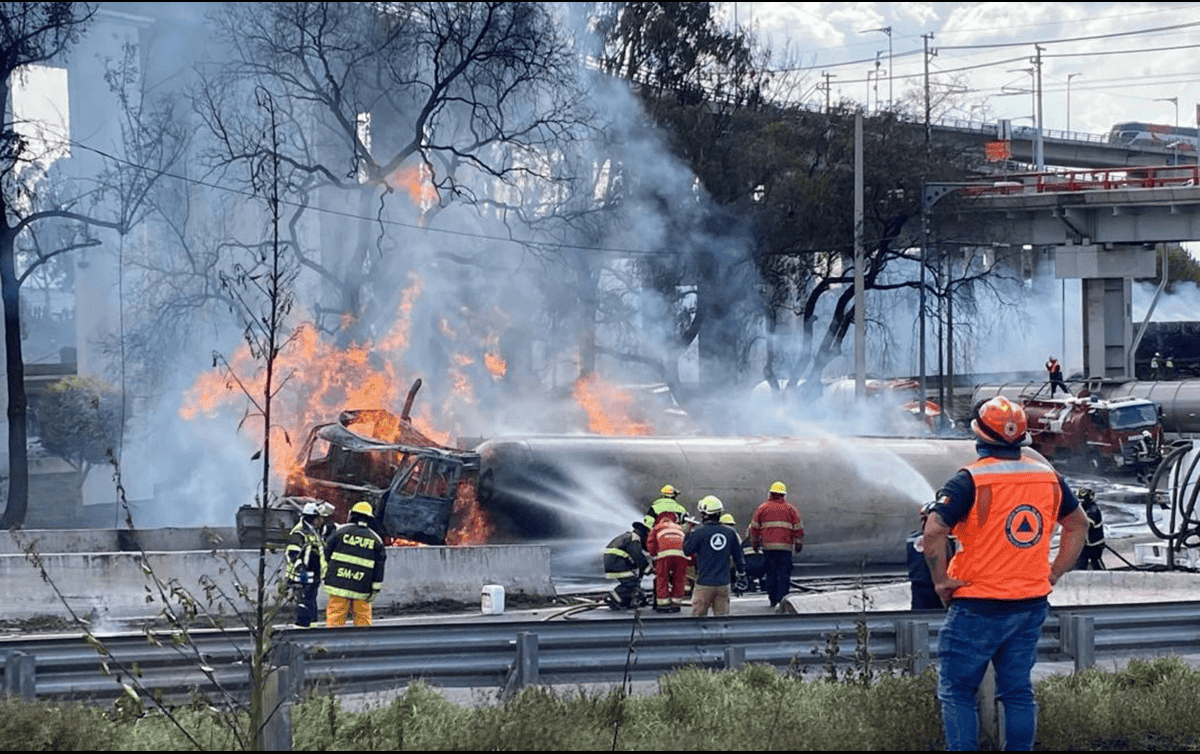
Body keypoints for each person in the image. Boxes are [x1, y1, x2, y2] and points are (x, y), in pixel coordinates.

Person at [923, 395, 1088, 751]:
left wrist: (940, 581)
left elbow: (934, 531)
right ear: (1023, 437)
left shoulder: (970, 480)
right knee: (1017, 692)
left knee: (957, 690)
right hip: (1030, 602)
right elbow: (1079, 525)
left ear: (980, 437)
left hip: (977, 603)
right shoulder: (1049, 478)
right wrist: (1054, 572)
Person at [324, 500, 387, 627]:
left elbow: (326, 553)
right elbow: (379, 568)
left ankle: (332, 644)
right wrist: (375, 590)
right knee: (363, 621)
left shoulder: (339, 532)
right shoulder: (376, 539)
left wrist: (327, 574)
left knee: (335, 620)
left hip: (338, 585)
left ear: (352, 514)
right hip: (362, 588)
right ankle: (362, 645)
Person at [684, 496, 746, 617]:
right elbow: (739, 557)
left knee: (698, 620)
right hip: (723, 584)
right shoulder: (730, 533)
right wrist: (742, 575)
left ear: (705, 515)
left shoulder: (699, 533)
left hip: (704, 584)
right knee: (722, 621)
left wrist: (687, 532)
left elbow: (687, 551)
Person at [749, 480, 805, 612]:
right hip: (785, 548)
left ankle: (772, 598)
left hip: (768, 548)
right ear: (783, 495)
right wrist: (798, 544)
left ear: (770, 494)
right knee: (783, 573)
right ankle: (782, 598)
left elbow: (754, 529)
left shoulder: (762, 509)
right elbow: (798, 529)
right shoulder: (791, 509)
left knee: (770, 573)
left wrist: (755, 545)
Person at [285, 501, 329, 628]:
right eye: (318, 517)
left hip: (314, 574)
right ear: (312, 518)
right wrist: (301, 569)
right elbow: (292, 553)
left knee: (311, 601)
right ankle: (302, 629)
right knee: (304, 602)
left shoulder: (315, 531)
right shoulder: (299, 532)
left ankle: (312, 628)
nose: (320, 520)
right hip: (302, 575)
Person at [906, 501, 955, 611]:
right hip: (930, 583)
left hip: (919, 582)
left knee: (920, 614)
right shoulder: (935, 539)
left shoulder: (912, 537)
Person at [645, 509, 688, 613]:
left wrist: (654, 554)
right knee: (679, 578)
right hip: (681, 556)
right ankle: (676, 603)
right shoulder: (679, 528)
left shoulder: (657, 527)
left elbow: (651, 544)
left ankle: (663, 604)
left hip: (664, 557)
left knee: (662, 578)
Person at [603, 522, 651, 609]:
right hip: (617, 562)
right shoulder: (634, 539)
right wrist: (647, 568)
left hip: (614, 561)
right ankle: (613, 597)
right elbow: (637, 556)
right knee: (631, 583)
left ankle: (625, 600)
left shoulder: (629, 536)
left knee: (633, 580)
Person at [1075, 488, 1106, 571]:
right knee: (1081, 564)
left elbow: (1088, 523)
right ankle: (1081, 581)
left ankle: (1105, 579)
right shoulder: (1082, 507)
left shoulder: (1093, 509)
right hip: (1085, 543)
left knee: (1096, 563)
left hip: (1095, 544)